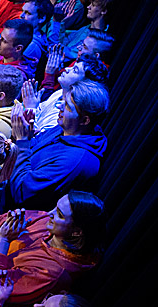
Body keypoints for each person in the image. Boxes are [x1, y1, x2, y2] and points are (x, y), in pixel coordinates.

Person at [0, 191, 106, 307]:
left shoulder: (52, 273)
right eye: (55, 207)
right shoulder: (49, 224)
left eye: (60, 215)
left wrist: (4, 240)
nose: (50, 213)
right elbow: (0, 221)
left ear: (76, 232)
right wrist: (10, 224)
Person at [8, 81, 109, 210]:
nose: (59, 106)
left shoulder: (73, 162)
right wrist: (23, 135)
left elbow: (21, 193)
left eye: (67, 106)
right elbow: (33, 145)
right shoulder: (66, 128)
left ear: (85, 120)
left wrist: (22, 140)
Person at [26, 53, 109, 134]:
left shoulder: (66, 116)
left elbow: (35, 138)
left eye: (75, 70)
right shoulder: (59, 93)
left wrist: (30, 108)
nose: (67, 69)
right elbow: (39, 111)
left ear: (83, 84)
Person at [48, 0, 118, 61]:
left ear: (103, 11)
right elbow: (63, 41)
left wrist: (56, 21)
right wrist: (61, 22)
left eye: (93, 5)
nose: (88, 7)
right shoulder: (86, 29)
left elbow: (58, 52)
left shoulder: (98, 40)